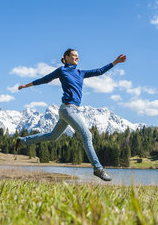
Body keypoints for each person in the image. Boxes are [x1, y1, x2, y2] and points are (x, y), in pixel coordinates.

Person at [16, 49, 127, 181]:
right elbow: (45, 79)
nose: (76, 58)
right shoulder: (62, 71)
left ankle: (23, 141)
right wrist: (26, 85)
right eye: (74, 56)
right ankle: (98, 169)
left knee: (53, 136)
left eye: (78, 57)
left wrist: (115, 62)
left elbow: (99, 71)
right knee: (87, 135)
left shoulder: (80, 73)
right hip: (67, 109)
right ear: (66, 57)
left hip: (72, 110)